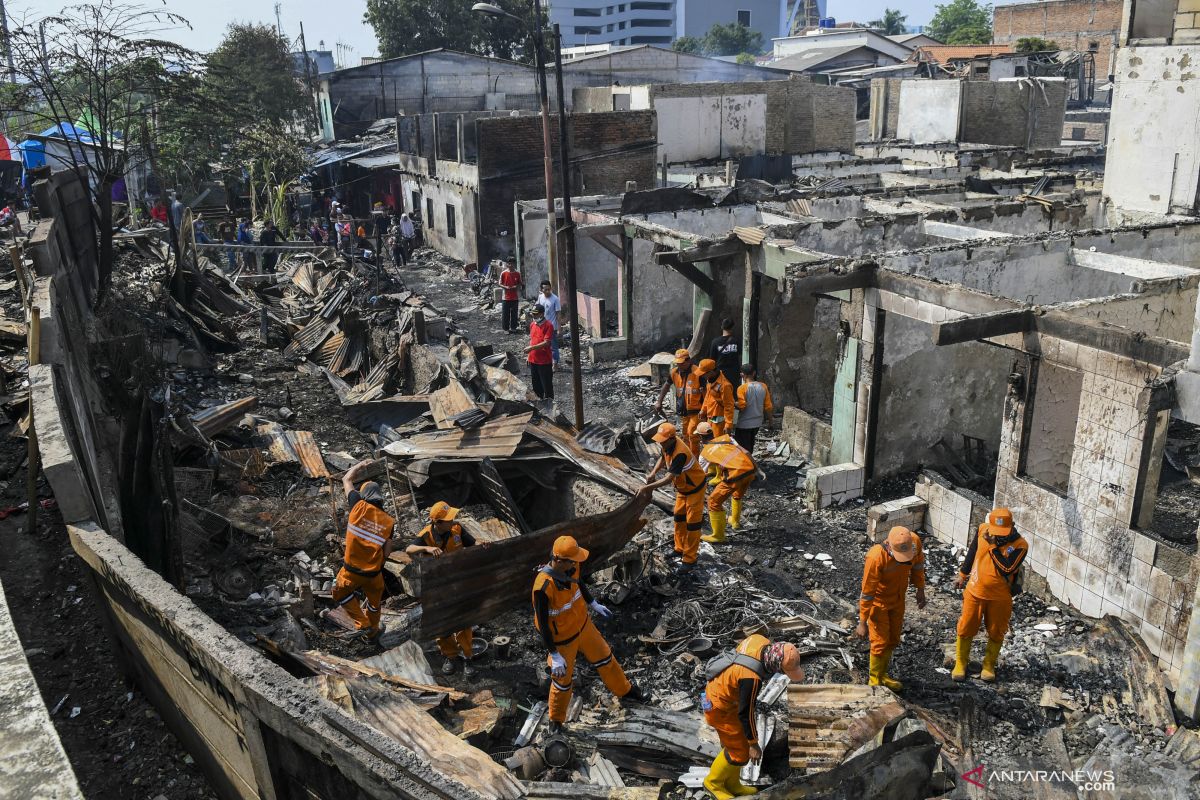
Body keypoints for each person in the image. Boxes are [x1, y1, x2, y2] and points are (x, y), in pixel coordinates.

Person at [532, 535, 648, 733]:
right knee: (562, 682)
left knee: (605, 658)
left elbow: (578, 583)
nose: (576, 563)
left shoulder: (571, 567)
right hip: (562, 641)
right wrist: (554, 654)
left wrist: (593, 603)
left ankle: (626, 691)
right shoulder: (543, 587)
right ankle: (556, 721)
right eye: (573, 560)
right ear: (559, 560)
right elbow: (543, 624)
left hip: (584, 626)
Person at [701, 635, 805, 799]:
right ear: (776, 665)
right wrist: (753, 744)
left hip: (721, 689)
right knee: (740, 753)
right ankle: (713, 783)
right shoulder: (751, 679)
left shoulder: (759, 640)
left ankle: (732, 784)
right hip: (720, 707)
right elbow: (746, 713)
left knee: (736, 745)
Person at [951, 507, 1027, 683]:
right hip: (975, 591)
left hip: (1000, 597)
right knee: (966, 626)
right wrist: (963, 574)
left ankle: (988, 665)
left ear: (1012, 526)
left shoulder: (1020, 545)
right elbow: (973, 551)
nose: (998, 536)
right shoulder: (983, 530)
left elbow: (1006, 567)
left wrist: (993, 546)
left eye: (1002, 533)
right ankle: (961, 663)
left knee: (996, 630)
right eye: (995, 532)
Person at [407, 501, 478, 676]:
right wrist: (427, 548)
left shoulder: (457, 529)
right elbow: (409, 549)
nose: (453, 520)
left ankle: (467, 657)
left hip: (459, 583)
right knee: (443, 622)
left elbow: (473, 544)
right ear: (437, 523)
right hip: (438, 587)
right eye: (448, 519)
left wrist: (482, 545)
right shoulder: (426, 535)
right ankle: (450, 655)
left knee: (464, 622)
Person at [328, 461, 396, 643]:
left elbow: (346, 478)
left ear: (364, 495)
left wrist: (360, 465)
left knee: (339, 593)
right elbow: (387, 551)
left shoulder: (358, 506)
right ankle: (372, 632)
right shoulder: (389, 521)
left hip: (352, 572)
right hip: (374, 574)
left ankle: (362, 624)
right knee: (374, 604)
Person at [855, 526, 926, 690]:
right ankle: (874, 682)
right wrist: (862, 621)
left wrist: (920, 589)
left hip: (898, 600)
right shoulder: (876, 557)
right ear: (889, 546)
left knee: (893, 639)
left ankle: (883, 675)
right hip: (879, 604)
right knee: (879, 642)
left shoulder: (913, 542)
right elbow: (867, 593)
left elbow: (918, 566)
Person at [644, 422, 707, 575]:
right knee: (678, 517)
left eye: (663, 440)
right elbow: (662, 457)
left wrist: (647, 488)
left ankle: (690, 559)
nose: (660, 442)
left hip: (694, 489)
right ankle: (679, 548)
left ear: (672, 438)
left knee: (692, 525)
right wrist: (652, 473)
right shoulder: (667, 445)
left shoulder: (680, 453)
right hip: (682, 488)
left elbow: (668, 478)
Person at [695, 421, 757, 543]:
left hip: (735, 476)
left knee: (713, 502)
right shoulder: (727, 438)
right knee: (737, 495)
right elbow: (746, 452)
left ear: (700, 437)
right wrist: (758, 470)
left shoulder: (705, 453)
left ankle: (718, 536)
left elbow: (699, 475)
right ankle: (735, 521)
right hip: (749, 470)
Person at [653, 349, 704, 454]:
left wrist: (706, 409)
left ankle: (694, 460)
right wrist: (659, 401)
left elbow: (706, 392)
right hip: (684, 411)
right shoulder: (674, 372)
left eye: (681, 363)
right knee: (685, 435)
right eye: (677, 363)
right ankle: (687, 456)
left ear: (688, 361)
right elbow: (666, 386)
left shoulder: (698, 372)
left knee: (692, 434)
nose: (679, 365)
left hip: (697, 411)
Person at [734, 364, 774, 454]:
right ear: (754, 373)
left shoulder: (741, 388)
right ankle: (751, 464)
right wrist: (771, 422)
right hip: (757, 423)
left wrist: (733, 403)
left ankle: (747, 466)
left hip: (743, 424)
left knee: (742, 449)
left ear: (742, 375)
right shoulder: (763, 386)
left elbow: (742, 406)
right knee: (750, 445)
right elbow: (768, 407)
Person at [698, 358, 735, 438]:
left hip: (719, 419)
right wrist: (703, 410)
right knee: (709, 441)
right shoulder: (710, 380)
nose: (702, 376)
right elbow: (707, 397)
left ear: (711, 372)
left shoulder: (725, 385)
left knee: (718, 443)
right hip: (710, 417)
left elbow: (729, 406)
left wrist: (728, 424)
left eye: (703, 374)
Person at [525, 304, 555, 401]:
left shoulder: (548, 325)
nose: (534, 316)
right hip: (533, 360)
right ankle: (540, 406)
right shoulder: (532, 325)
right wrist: (529, 356)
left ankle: (551, 407)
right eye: (533, 314)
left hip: (544, 361)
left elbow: (546, 343)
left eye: (536, 314)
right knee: (536, 387)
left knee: (547, 387)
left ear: (542, 314)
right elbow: (532, 340)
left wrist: (531, 348)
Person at [535, 280, 561, 368]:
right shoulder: (540, 297)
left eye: (549, 289)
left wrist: (559, 328)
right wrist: (534, 321)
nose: (547, 291)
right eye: (545, 290)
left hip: (552, 326)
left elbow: (558, 314)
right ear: (541, 290)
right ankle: (545, 361)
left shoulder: (555, 299)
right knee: (542, 345)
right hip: (541, 325)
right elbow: (536, 309)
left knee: (553, 346)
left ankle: (555, 363)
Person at [709, 317, 742, 389]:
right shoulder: (737, 341)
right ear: (732, 328)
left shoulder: (715, 342)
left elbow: (712, 360)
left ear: (722, 327)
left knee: (721, 395)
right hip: (734, 374)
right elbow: (740, 356)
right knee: (733, 396)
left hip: (720, 374)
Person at [499, 260, 522, 333]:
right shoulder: (504, 273)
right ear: (507, 264)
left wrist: (516, 286)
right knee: (505, 314)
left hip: (515, 297)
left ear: (514, 264)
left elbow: (520, 283)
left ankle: (513, 328)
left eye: (512, 263)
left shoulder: (518, 273)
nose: (511, 265)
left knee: (514, 313)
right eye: (509, 263)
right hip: (505, 297)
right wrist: (505, 287)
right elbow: (499, 283)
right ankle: (506, 329)